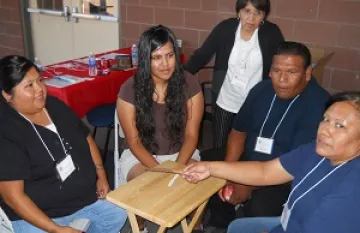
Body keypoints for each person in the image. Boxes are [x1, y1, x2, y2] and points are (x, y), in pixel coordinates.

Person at [183, 91, 360, 233]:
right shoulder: (316, 151)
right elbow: (265, 172)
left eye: (340, 126)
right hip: (288, 222)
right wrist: (208, 167)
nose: (325, 130)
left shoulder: (352, 188)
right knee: (237, 227)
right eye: (326, 119)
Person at [202, 41, 330, 232]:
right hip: (250, 158)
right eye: (276, 71)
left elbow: (298, 167)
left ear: (308, 73)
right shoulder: (260, 90)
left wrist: (248, 183)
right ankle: (220, 223)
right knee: (207, 166)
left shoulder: (319, 105)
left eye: (291, 72)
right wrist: (229, 172)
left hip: (285, 175)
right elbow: (239, 132)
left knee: (262, 205)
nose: (282, 79)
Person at [0, 55, 127, 233]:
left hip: (82, 200)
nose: (40, 89)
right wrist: (56, 229)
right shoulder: (6, 131)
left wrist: (101, 175)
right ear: (8, 95)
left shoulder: (54, 105)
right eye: (29, 86)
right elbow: (13, 197)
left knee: (118, 214)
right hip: (36, 214)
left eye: (40, 80)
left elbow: (86, 138)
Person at [116, 25, 204, 232]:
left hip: (182, 153)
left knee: (197, 185)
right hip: (141, 156)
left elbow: (192, 136)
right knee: (142, 186)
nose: (165, 64)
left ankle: (195, 227)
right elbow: (133, 141)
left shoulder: (189, 83)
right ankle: (140, 227)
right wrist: (159, 170)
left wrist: (175, 169)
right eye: (157, 58)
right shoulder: (130, 88)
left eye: (170, 55)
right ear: (146, 59)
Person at [184, 0, 284, 148]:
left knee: (247, 146)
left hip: (254, 102)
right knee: (220, 145)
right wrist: (178, 78)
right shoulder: (225, 29)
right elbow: (202, 56)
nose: (251, 18)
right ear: (238, 12)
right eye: (247, 11)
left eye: (258, 13)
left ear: (264, 16)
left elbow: (281, 63)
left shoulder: (271, 33)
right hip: (226, 98)